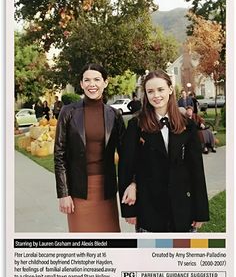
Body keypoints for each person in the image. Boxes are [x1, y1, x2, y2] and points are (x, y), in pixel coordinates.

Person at [119, 69, 209, 233]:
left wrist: (201, 211)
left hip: (183, 208)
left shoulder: (187, 125)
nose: (156, 95)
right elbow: (126, 167)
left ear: (170, 89)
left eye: (160, 89)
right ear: (145, 94)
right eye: (150, 91)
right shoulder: (135, 125)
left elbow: (196, 170)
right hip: (150, 209)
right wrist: (129, 209)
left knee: (181, 256)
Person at [54, 63, 126, 232]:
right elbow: (59, 155)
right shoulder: (68, 112)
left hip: (106, 190)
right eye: (87, 80)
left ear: (105, 83)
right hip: (78, 190)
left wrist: (132, 184)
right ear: (81, 84)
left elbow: (126, 154)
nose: (91, 84)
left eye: (96, 79)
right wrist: (64, 194)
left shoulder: (114, 115)